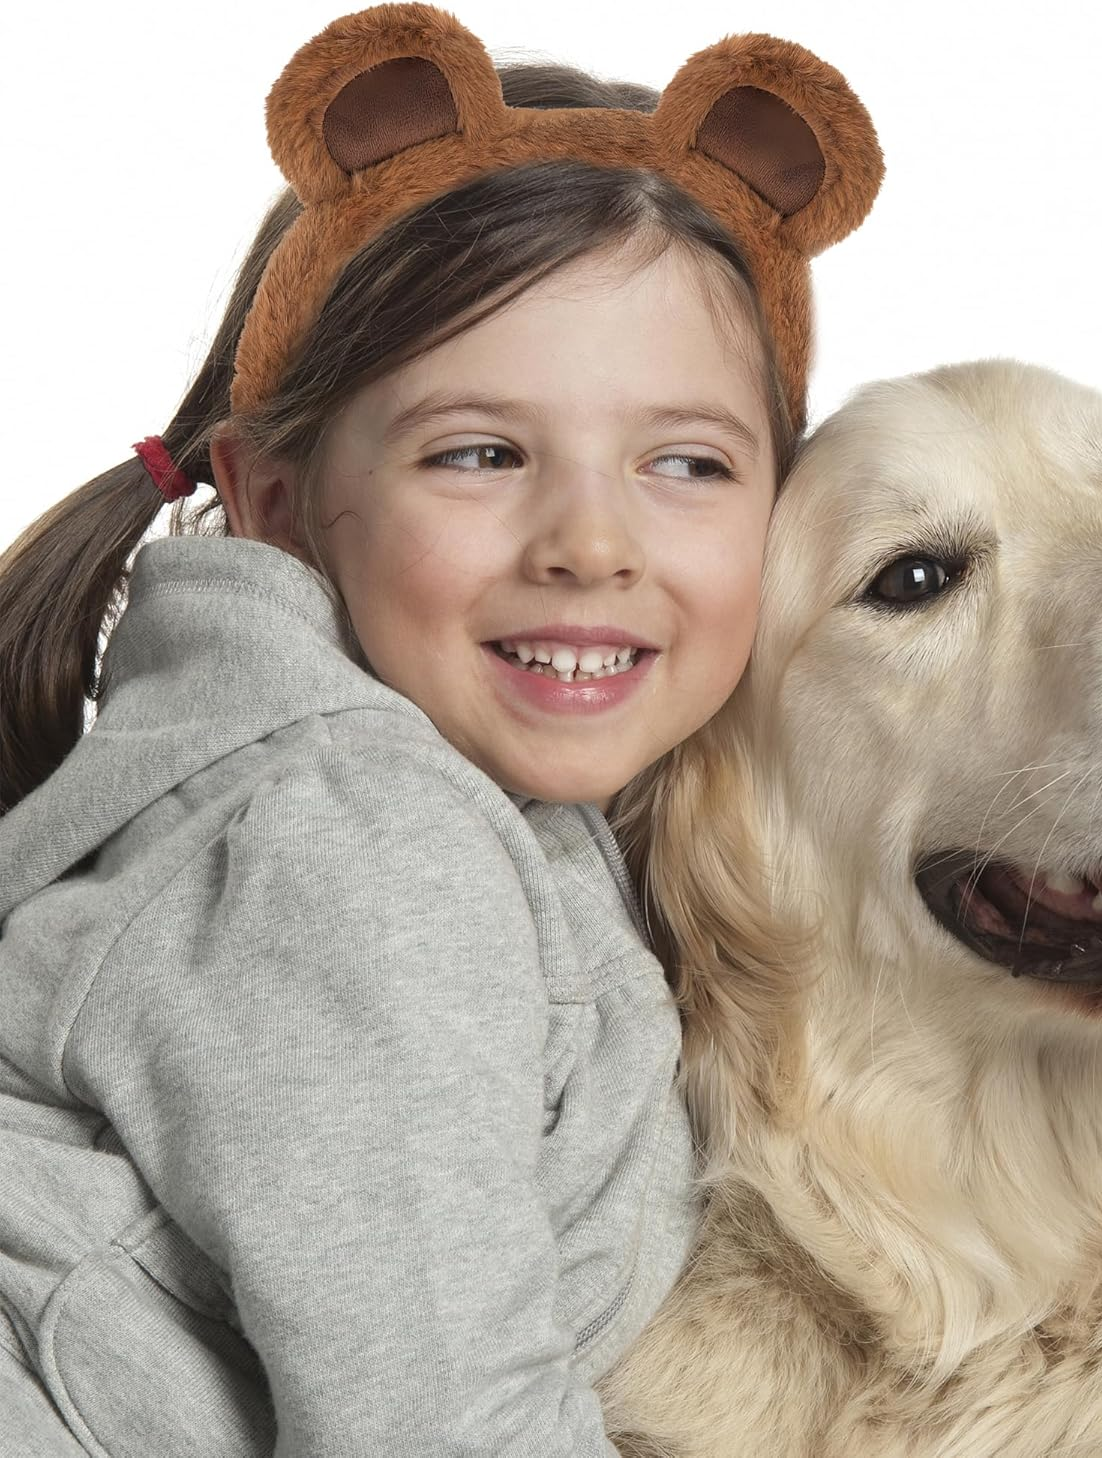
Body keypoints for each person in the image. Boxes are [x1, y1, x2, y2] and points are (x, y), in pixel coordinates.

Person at [0, 5, 883, 1454]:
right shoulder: (358, 846)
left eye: (688, 462)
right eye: (479, 453)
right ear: (278, 502)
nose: (592, 542)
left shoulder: (484, 794)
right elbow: (441, 1423)